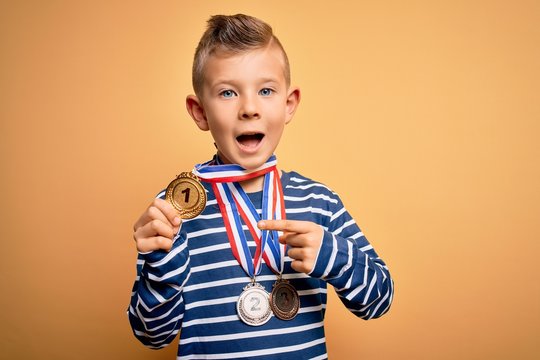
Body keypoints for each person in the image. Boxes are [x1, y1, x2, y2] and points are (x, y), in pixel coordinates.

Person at [128, 14, 393, 359]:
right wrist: (161, 267)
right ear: (200, 112)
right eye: (227, 92)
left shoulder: (319, 202)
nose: (249, 108)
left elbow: (379, 301)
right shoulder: (173, 211)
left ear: (289, 104)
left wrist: (334, 255)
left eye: (266, 90)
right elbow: (153, 336)